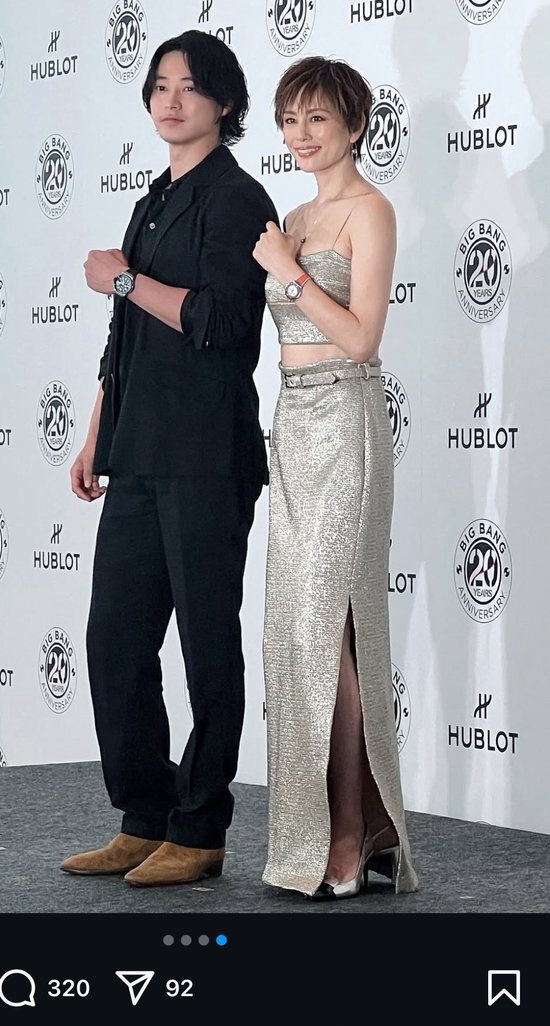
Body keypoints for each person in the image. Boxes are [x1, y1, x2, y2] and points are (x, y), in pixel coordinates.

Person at [60, 31, 277, 887]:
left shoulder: (237, 198)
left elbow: (220, 324)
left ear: (225, 102)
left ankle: (200, 829)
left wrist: (121, 280)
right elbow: (126, 339)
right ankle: (144, 815)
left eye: (189, 87)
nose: (171, 100)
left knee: (206, 647)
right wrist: (96, 433)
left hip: (206, 456)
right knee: (114, 641)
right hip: (138, 451)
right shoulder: (152, 198)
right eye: (158, 86)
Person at [252, 56, 418, 899]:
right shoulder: (293, 217)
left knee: (332, 631)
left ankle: (348, 832)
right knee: (300, 633)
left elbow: (360, 339)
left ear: (355, 124)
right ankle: (347, 827)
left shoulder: (370, 211)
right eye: (290, 119)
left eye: (317, 118)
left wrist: (287, 271)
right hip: (292, 425)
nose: (301, 135)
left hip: (347, 422)